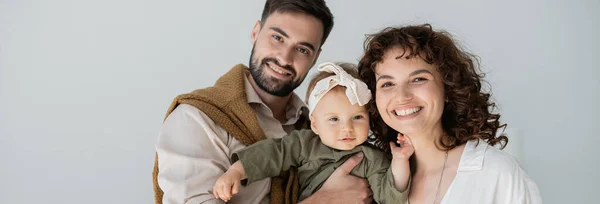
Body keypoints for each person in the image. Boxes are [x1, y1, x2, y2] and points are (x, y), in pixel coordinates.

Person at [153, 1, 373, 204]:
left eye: (302, 49)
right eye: (277, 38)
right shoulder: (198, 117)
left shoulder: (319, 127)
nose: (285, 58)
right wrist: (323, 200)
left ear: (315, 58)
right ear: (255, 32)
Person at [358, 24, 543, 204]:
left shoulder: (496, 173)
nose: (402, 96)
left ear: (447, 87)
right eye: (387, 84)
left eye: (418, 79)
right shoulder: (368, 184)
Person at [212, 62, 412, 203]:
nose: (347, 128)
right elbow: (272, 154)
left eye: (357, 117)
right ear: (315, 125)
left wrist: (400, 161)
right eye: (334, 119)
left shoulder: (372, 158)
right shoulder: (304, 143)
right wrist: (237, 171)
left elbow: (391, 197)